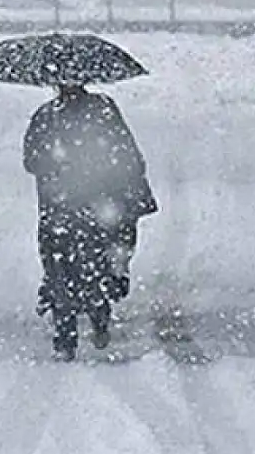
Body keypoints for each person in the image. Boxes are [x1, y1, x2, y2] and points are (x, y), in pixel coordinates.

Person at [23, 82, 157, 361]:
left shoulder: (46, 116)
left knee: (60, 268)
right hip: (99, 206)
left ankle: (65, 336)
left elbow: (31, 161)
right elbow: (127, 153)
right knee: (97, 263)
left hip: (59, 208)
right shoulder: (104, 111)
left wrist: (58, 167)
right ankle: (99, 316)